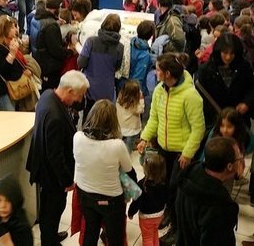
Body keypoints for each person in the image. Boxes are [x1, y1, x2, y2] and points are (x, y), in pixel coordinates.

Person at [137, 53, 205, 244]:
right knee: (163, 186)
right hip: (161, 149)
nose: (155, 71)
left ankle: (177, 226)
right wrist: (144, 138)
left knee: (176, 190)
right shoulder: (160, 90)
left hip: (180, 153)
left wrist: (187, 153)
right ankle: (167, 213)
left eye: (158, 69)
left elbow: (197, 128)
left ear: (167, 73)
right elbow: (154, 119)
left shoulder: (190, 96)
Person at [26, 70, 89, 246]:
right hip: (52, 175)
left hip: (43, 168)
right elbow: (55, 156)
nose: (78, 100)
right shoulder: (55, 116)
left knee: (49, 208)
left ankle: (51, 235)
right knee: (53, 210)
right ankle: (49, 241)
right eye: (79, 95)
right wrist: (67, 181)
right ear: (69, 90)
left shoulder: (47, 96)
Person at [73, 99, 136, 246]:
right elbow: (129, 172)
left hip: (85, 195)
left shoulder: (77, 138)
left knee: (90, 231)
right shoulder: (117, 146)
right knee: (115, 237)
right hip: (112, 200)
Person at [175, 137, 241, 246]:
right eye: (239, 159)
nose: (241, 161)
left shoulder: (188, 176)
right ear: (229, 166)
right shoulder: (220, 208)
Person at [196, 33, 254, 130]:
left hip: (240, 121)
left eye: (232, 53)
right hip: (215, 122)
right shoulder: (206, 69)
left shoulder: (244, 67)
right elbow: (201, 97)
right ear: (218, 51)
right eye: (225, 52)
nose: (228, 57)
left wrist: (247, 103)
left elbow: (252, 88)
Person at [78, 13, 123, 119]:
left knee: (88, 117)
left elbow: (81, 63)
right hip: (107, 90)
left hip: (90, 88)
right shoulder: (120, 47)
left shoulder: (91, 41)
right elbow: (117, 67)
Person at [34, 0, 75, 91]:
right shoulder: (50, 26)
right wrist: (71, 51)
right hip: (50, 68)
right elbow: (56, 50)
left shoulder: (36, 18)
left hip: (40, 64)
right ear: (59, 6)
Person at [0, 15, 29, 111]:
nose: (15, 30)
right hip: (3, 89)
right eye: (12, 27)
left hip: (16, 85)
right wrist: (12, 54)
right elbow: (2, 69)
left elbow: (16, 63)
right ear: (4, 29)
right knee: (10, 118)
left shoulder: (9, 42)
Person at [128, 153, 167, 246]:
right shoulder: (164, 182)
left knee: (147, 238)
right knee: (154, 233)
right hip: (159, 214)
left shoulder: (142, 185)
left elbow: (137, 202)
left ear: (146, 169)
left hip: (146, 217)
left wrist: (131, 212)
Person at [116, 80, 145, 154]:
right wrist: (141, 99)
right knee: (128, 149)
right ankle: (126, 160)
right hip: (131, 130)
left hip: (121, 127)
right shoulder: (133, 105)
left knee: (119, 145)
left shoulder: (119, 100)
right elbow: (141, 109)